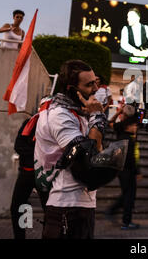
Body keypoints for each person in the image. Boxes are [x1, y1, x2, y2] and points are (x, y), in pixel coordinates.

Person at [34, 60, 107, 239]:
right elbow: (89, 159)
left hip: (81, 204)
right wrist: (97, 116)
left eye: (96, 82)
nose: (96, 88)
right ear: (71, 89)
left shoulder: (77, 112)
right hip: (67, 207)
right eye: (89, 84)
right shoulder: (60, 115)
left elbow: (97, 149)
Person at [10, 98, 50, 239]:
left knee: (50, 211)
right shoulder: (29, 123)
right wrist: (36, 158)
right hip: (26, 173)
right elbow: (19, 145)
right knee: (18, 208)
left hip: (45, 175)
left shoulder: (54, 127)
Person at [105, 114, 142, 230]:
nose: (136, 128)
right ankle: (126, 221)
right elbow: (130, 158)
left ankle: (114, 211)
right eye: (134, 125)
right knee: (129, 196)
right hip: (128, 171)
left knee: (127, 194)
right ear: (128, 126)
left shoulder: (121, 136)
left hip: (122, 171)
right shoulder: (128, 140)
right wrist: (136, 171)